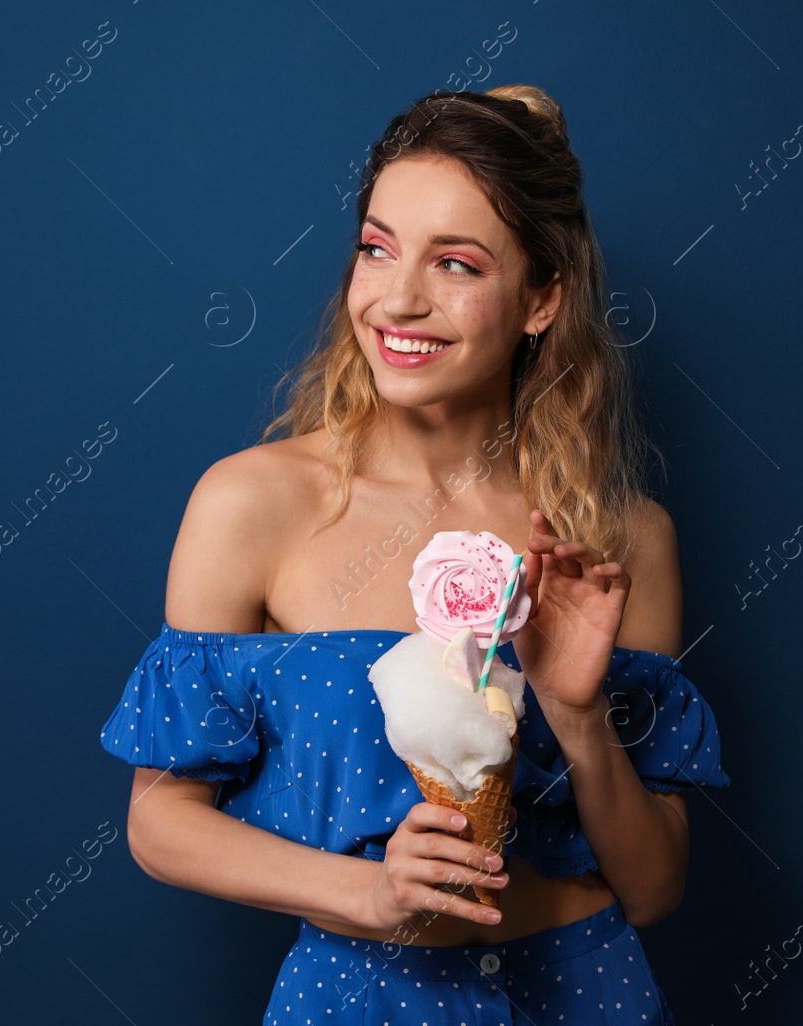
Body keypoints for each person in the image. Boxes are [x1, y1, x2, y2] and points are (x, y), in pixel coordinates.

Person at [99, 84, 729, 1025]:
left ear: (542, 298)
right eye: (376, 248)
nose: (398, 299)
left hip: (587, 988)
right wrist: (369, 897)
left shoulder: (619, 535)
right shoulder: (252, 504)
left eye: (458, 265)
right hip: (359, 996)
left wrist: (578, 714)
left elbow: (653, 890)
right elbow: (158, 822)